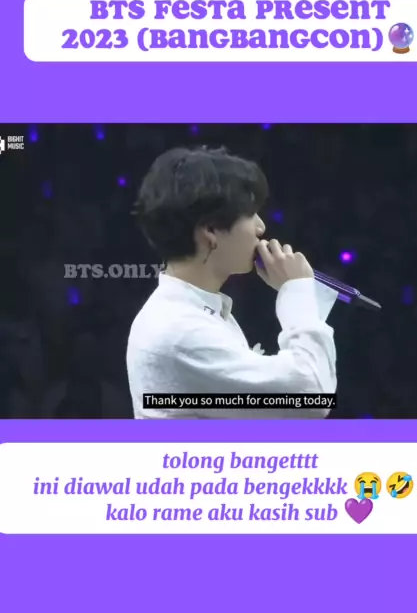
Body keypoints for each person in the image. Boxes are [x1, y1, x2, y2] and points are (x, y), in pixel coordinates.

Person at [126, 146, 338, 418]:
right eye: (250, 214)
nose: (261, 227)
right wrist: (296, 290)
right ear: (211, 230)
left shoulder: (197, 312)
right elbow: (311, 397)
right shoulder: (179, 330)